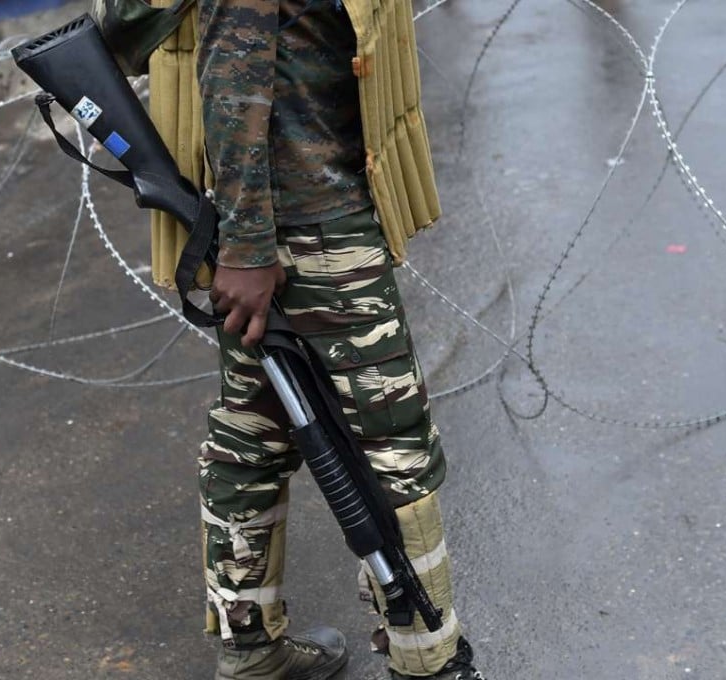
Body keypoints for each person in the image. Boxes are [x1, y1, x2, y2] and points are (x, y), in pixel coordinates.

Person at [147, 1, 485, 678]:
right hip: (312, 233)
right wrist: (245, 250)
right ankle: (429, 661)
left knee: (252, 439)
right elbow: (233, 79)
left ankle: (251, 655)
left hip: (275, 231)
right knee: (394, 448)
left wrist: (246, 243)